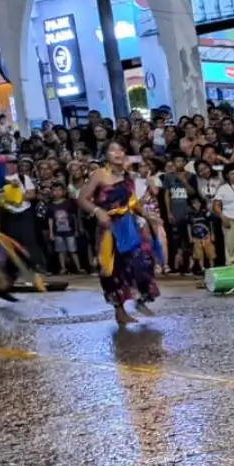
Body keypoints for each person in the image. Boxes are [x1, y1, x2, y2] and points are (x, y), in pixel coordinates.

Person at [80, 139, 159, 327]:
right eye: (112, 150)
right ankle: (120, 311)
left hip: (128, 225)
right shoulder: (99, 175)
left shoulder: (128, 177)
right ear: (106, 155)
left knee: (143, 260)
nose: (117, 153)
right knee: (112, 271)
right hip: (108, 228)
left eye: (121, 149)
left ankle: (141, 298)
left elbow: (132, 203)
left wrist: (149, 216)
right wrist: (97, 212)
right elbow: (82, 199)